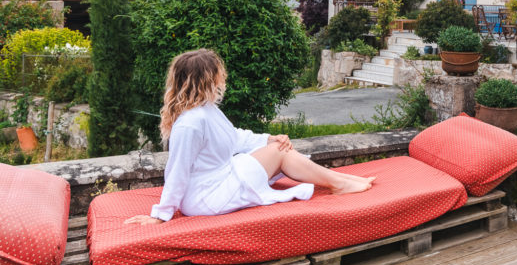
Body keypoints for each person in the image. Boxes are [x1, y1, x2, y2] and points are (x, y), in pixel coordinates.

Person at [125, 49, 374, 225]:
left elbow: (234, 138)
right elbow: (177, 170)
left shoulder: (206, 110)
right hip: (206, 197)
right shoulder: (190, 123)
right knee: (279, 151)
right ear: (207, 79)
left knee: (277, 146)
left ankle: (341, 179)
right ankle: (339, 184)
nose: (223, 77)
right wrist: (161, 214)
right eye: (219, 73)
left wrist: (269, 138)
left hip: (220, 180)